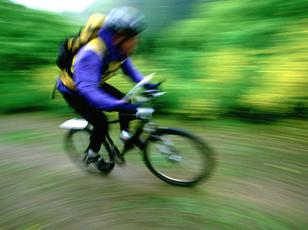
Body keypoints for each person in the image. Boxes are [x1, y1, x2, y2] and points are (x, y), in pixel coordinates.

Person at [56, 7, 157, 162]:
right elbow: (88, 91)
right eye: (134, 37)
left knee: (125, 100)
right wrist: (118, 105)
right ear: (119, 37)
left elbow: (130, 70)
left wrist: (147, 84)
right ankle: (92, 155)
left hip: (92, 83)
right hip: (74, 91)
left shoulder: (119, 49)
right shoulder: (91, 53)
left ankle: (125, 135)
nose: (137, 41)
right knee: (101, 123)